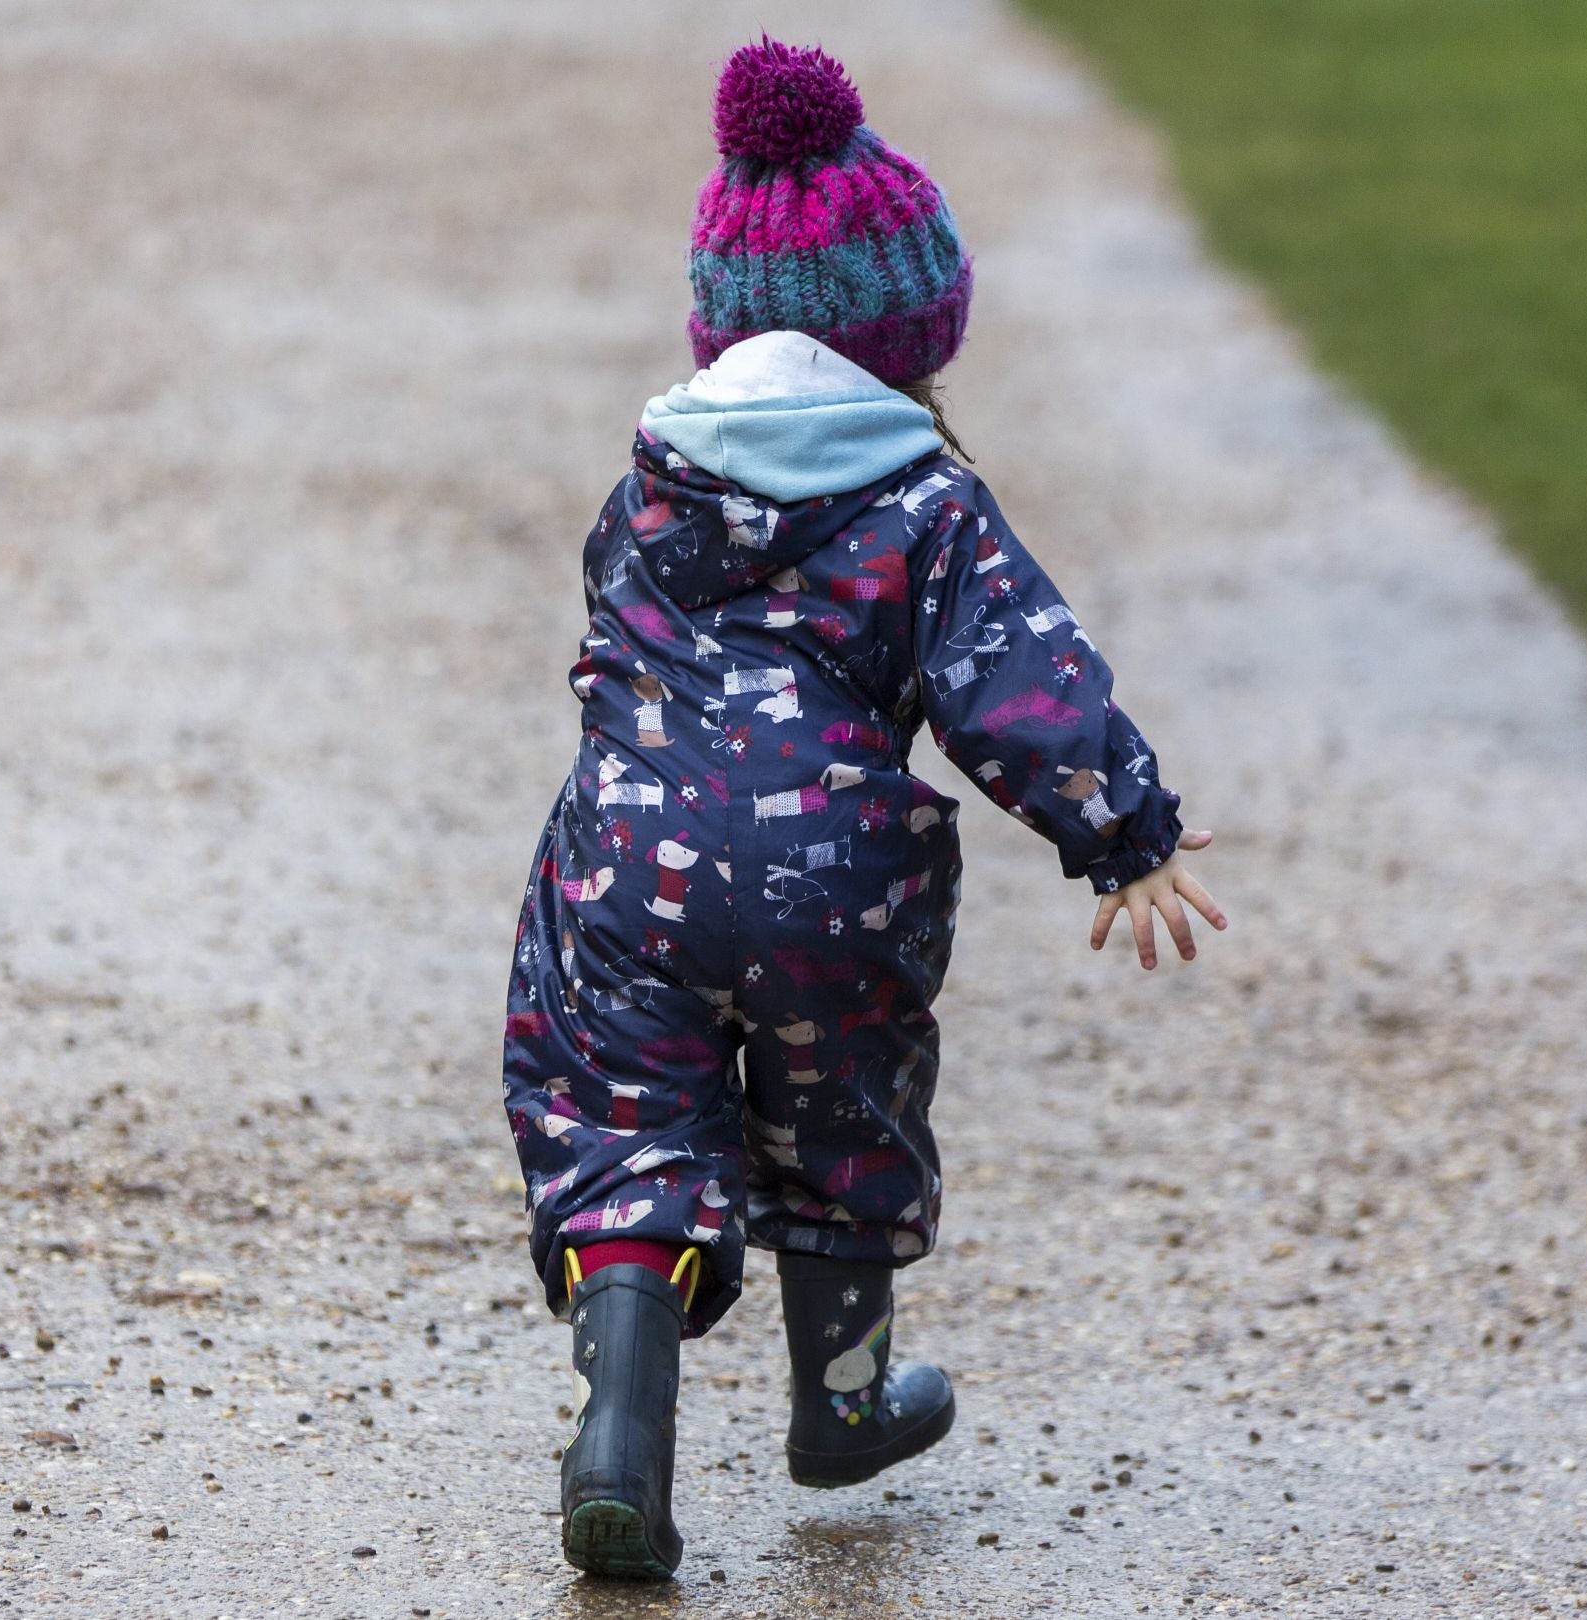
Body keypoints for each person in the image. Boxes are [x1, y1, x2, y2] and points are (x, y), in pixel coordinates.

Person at [498, 37, 1225, 1580]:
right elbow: (1019, 680)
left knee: (623, 1119)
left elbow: (603, 632)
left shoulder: (652, 482)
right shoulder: (925, 502)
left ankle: (619, 1430)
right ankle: (841, 1401)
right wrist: (1125, 832)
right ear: (915, 337)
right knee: (842, 1107)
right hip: (833, 881)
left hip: (629, 861)